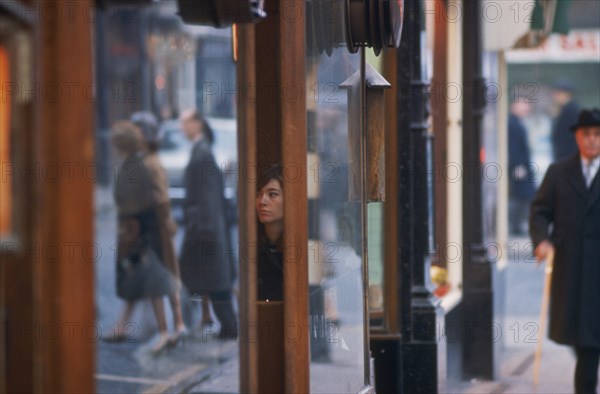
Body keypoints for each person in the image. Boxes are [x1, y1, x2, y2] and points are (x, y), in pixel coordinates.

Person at [529, 108, 600, 394]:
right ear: (577, 137)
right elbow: (540, 211)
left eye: (597, 135)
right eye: (587, 134)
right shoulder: (559, 172)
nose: (592, 140)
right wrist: (541, 240)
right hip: (571, 268)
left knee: (589, 344)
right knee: (580, 339)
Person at [108, 120, 175, 355]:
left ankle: (165, 332)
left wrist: (140, 235)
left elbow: (148, 203)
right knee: (134, 277)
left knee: (151, 281)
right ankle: (121, 326)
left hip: (141, 234)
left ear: (121, 144)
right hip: (131, 233)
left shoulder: (138, 167)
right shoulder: (129, 165)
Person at [178, 109, 238, 340]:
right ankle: (217, 324)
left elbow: (207, 196)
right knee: (210, 280)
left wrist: (205, 229)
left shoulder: (201, 153)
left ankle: (218, 325)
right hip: (207, 228)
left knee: (209, 280)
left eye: (185, 123)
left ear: (197, 124)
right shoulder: (201, 150)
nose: (182, 128)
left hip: (205, 230)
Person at [130, 111, 188, 346]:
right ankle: (178, 325)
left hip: (154, 228)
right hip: (157, 227)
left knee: (158, 280)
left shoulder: (149, 162)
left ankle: (167, 331)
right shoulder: (147, 159)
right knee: (167, 277)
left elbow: (161, 197)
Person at [255, 164, 285, 302]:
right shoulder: (252, 244)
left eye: (272, 194)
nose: (262, 201)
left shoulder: (299, 245)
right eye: (258, 194)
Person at [508, 98, 536, 235]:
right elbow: (513, 147)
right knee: (520, 196)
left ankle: (518, 224)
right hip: (519, 166)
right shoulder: (513, 124)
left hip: (522, 165)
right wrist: (518, 165)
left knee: (524, 195)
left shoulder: (517, 123)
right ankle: (515, 225)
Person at [550, 80, 581, 162]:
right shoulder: (563, 110)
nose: (554, 96)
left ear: (565, 94)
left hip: (568, 157)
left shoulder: (571, 111)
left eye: (557, 93)